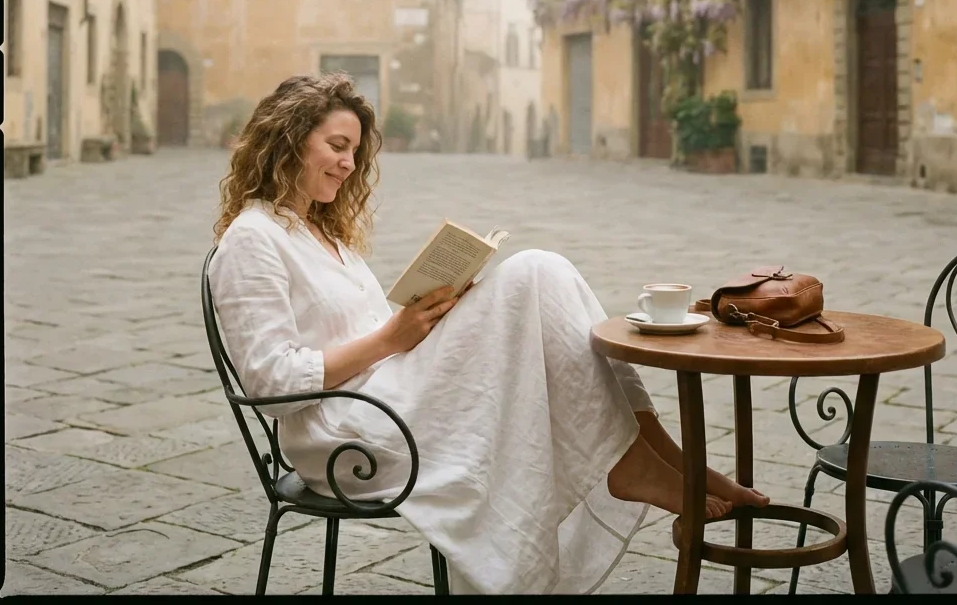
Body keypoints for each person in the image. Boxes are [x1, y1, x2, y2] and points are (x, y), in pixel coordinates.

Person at [209, 73, 767, 595]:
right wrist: (395, 337)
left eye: (354, 150)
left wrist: (440, 310)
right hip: (349, 434)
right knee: (534, 274)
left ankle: (665, 456)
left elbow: (379, 333)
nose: (349, 164)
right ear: (287, 141)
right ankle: (643, 464)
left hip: (389, 393)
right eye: (336, 146)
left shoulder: (324, 235)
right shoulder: (252, 239)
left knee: (544, 283)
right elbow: (269, 382)